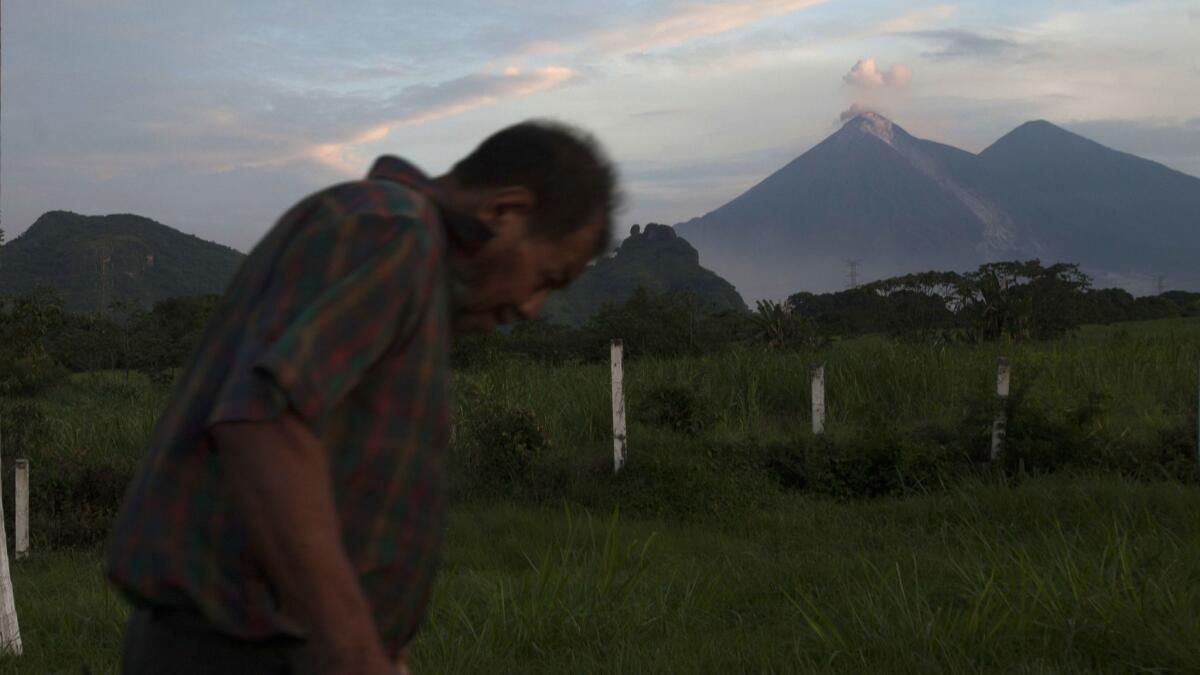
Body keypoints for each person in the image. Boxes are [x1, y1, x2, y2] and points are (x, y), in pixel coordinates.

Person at [105, 120, 619, 674]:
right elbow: (264, 422)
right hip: (237, 653)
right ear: (505, 212)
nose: (531, 308)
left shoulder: (408, 260)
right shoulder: (392, 230)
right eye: (546, 277)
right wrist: (354, 655)